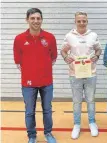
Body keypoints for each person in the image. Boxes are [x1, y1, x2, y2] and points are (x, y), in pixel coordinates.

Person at [13, 8, 57, 143]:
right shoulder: (19, 39)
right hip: (28, 83)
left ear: (42, 20)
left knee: (47, 110)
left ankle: (48, 133)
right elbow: (18, 61)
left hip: (46, 82)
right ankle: (32, 136)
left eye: (38, 18)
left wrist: (42, 70)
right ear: (27, 20)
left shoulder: (50, 37)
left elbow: (53, 57)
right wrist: (31, 72)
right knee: (29, 112)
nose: (36, 21)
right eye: (32, 18)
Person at [60, 11, 102, 139]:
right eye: (79, 21)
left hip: (91, 73)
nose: (81, 23)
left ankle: (92, 122)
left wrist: (97, 55)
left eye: (84, 21)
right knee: (77, 101)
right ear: (75, 22)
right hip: (74, 74)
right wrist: (66, 57)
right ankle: (77, 124)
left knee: (90, 100)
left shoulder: (93, 35)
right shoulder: (69, 36)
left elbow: (98, 49)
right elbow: (63, 50)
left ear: (87, 21)